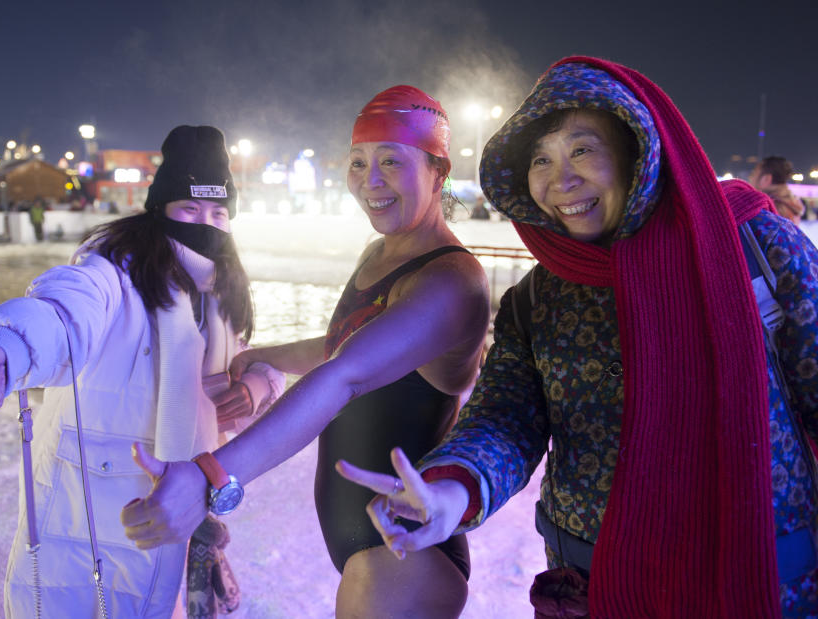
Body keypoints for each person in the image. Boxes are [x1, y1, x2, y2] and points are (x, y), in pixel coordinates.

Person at [338, 57, 818, 618]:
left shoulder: (752, 248)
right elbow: (505, 418)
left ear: (638, 151)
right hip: (589, 587)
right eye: (540, 159)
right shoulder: (540, 298)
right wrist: (453, 489)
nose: (559, 180)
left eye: (582, 150)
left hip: (763, 579)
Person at [121, 86, 491, 618]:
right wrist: (269, 355)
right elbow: (348, 343)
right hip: (369, 545)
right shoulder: (380, 254)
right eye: (359, 162)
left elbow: (347, 375)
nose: (371, 180)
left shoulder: (452, 280)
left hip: (405, 553)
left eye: (392, 160)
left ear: (438, 170)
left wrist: (211, 475)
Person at [0, 125, 284, 618]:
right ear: (161, 209)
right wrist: (10, 350)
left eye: (218, 213)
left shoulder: (220, 286)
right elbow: (64, 312)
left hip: (179, 504)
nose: (205, 224)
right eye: (189, 209)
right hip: (89, 510)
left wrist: (257, 385)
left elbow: (237, 359)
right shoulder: (114, 268)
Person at [751, 155, 807, 225]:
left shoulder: (769, 208)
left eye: (754, 174)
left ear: (766, 179)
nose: (751, 178)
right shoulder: (791, 203)